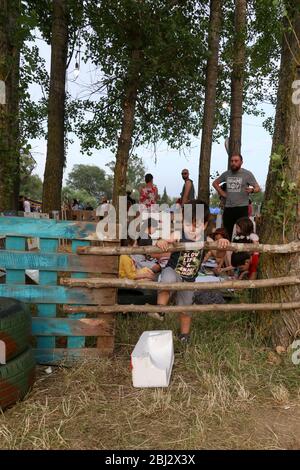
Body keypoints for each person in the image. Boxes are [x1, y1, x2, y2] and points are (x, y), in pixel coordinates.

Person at [152, 200, 229, 342]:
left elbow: (218, 255)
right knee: (166, 282)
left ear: (205, 225)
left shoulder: (206, 239)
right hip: (173, 270)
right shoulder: (178, 234)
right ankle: (160, 309)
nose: (192, 229)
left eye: (197, 225)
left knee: (186, 309)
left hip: (189, 279)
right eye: (188, 224)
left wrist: (222, 244)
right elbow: (165, 240)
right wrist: (161, 241)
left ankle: (184, 335)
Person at [212, 154, 261, 240]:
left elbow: (257, 188)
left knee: (244, 232)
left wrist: (252, 190)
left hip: (242, 208)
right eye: (232, 161)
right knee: (227, 232)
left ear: (241, 162)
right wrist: (222, 193)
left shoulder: (247, 174)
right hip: (228, 208)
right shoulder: (226, 174)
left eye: (236, 161)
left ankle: (242, 252)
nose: (233, 163)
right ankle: (227, 252)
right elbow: (215, 183)